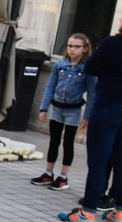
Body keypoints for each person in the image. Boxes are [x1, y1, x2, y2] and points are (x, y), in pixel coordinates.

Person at [58, 0, 122, 222]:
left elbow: (91, 67)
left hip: (107, 107)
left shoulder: (113, 44)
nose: (121, 18)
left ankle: (87, 211)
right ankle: (119, 211)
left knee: (99, 160)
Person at [30, 33, 95, 191]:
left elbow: (92, 94)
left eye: (77, 46)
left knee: (68, 143)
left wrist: (87, 116)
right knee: (54, 141)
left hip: (73, 111)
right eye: (70, 46)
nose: (72, 49)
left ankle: (63, 176)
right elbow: (50, 87)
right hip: (57, 109)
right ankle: (48, 172)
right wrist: (44, 108)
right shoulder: (60, 66)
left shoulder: (87, 69)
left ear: (85, 49)